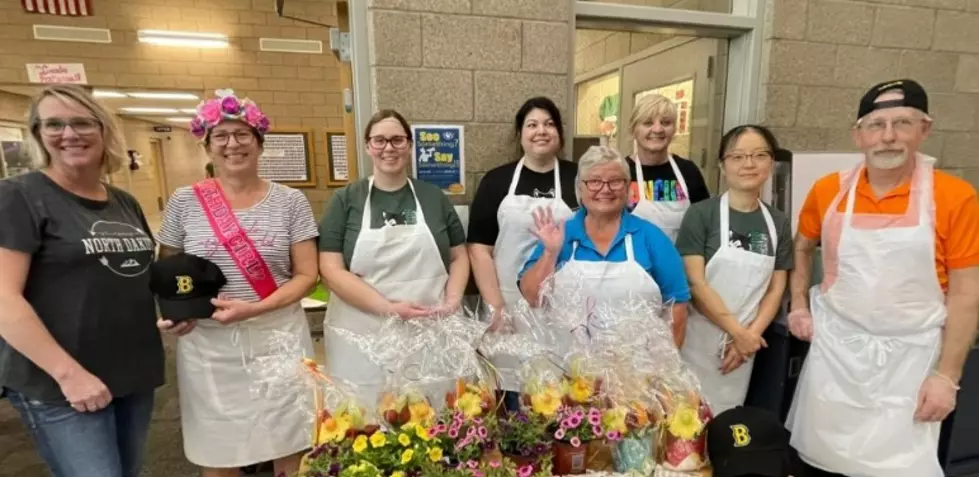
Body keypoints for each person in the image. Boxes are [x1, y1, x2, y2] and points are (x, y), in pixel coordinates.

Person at [786, 79, 979, 477]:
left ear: (924, 129)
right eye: (876, 125)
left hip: (913, 364)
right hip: (836, 356)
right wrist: (800, 305)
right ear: (859, 134)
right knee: (820, 462)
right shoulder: (828, 191)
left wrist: (947, 376)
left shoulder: (956, 197)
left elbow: (966, 293)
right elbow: (802, 246)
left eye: (902, 123)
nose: (888, 137)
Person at [155, 89, 320, 477]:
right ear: (208, 145)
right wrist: (176, 314)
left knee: (289, 438)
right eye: (221, 136)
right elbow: (169, 271)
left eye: (243, 134)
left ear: (259, 143)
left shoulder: (291, 202)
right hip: (209, 345)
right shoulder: (184, 201)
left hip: (277, 335)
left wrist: (256, 308)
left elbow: (307, 275)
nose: (233, 144)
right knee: (219, 447)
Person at [0, 84, 163, 477]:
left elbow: (137, 274)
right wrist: (69, 375)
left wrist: (178, 309)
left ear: (104, 131)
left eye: (81, 123)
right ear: (38, 134)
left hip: (130, 373)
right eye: (53, 124)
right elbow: (4, 298)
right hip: (62, 384)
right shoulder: (20, 196)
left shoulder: (123, 201)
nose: (69, 134)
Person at [318, 109, 470, 405]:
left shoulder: (433, 198)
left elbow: (459, 257)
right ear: (367, 146)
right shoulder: (345, 200)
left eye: (398, 140)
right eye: (380, 140)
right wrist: (387, 307)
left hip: (428, 330)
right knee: (367, 416)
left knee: (432, 410)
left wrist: (452, 301)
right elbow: (330, 269)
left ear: (410, 145)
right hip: (362, 334)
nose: (389, 148)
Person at [519, 145, 691, 351]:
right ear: (580, 189)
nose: (605, 189)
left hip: (637, 374)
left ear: (627, 188)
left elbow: (677, 307)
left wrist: (661, 370)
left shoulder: (651, 237)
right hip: (568, 372)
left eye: (615, 181)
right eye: (594, 181)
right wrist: (549, 253)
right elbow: (532, 297)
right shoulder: (560, 235)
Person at [467, 97, 578, 403]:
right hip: (508, 306)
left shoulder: (579, 178)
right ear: (520, 134)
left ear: (559, 133)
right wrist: (496, 308)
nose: (541, 131)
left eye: (549, 123)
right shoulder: (496, 181)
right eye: (532, 125)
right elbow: (479, 249)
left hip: (564, 308)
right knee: (511, 392)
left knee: (564, 394)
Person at [676, 125, 792, 415]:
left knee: (727, 422)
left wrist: (749, 339)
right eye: (738, 156)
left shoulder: (778, 222)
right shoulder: (701, 214)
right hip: (697, 341)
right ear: (722, 165)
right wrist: (738, 333)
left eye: (759, 155)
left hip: (743, 350)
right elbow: (696, 283)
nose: (749, 164)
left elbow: (776, 288)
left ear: (771, 162)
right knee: (685, 421)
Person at [625, 93, 711, 241]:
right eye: (647, 123)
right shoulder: (620, 171)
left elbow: (705, 225)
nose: (658, 129)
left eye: (665, 123)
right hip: (632, 262)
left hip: (679, 261)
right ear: (634, 130)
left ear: (674, 129)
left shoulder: (688, 171)